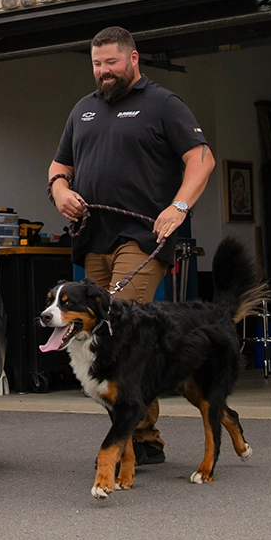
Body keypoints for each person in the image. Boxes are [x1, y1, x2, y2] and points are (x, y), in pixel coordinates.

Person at [47, 26, 216, 465]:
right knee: (98, 339)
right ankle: (140, 437)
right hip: (91, 238)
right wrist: (60, 189)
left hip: (141, 239)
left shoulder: (162, 104)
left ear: (133, 59)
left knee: (125, 335)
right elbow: (59, 165)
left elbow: (202, 158)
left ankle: (138, 440)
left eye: (111, 63)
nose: (103, 72)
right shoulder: (82, 110)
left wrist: (178, 206)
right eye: (97, 64)